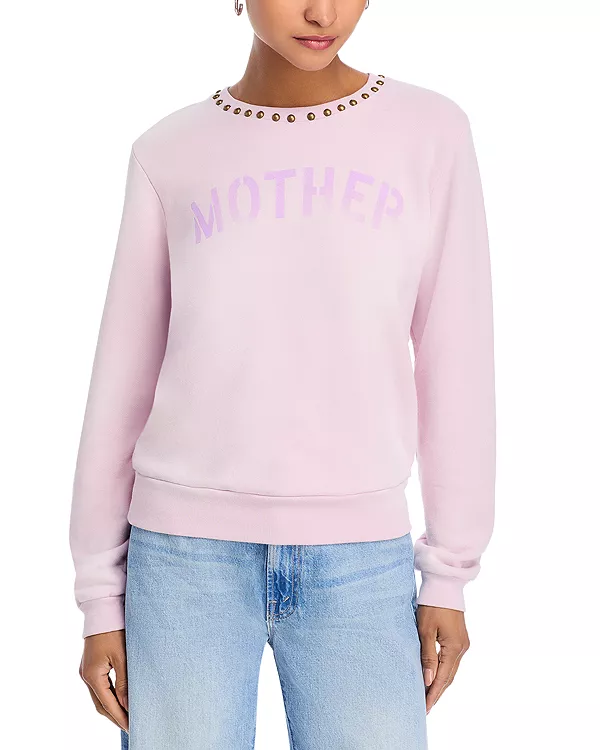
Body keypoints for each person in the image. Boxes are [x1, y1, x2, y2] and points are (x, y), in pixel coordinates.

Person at [69, 1, 496, 748]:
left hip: (363, 563)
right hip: (182, 560)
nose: (321, 11)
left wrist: (449, 574)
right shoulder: (169, 151)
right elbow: (121, 383)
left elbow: (457, 360)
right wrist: (100, 595)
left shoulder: (431, 133)